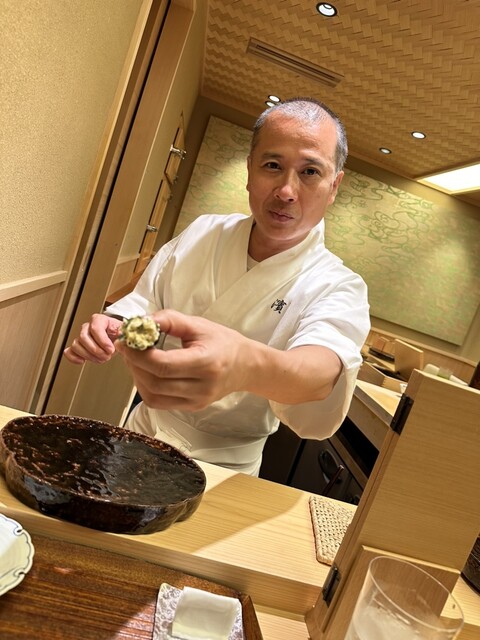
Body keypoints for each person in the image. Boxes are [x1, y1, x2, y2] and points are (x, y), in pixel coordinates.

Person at [64, 97, 370, 476]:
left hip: (228, 466)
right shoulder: (204, 231)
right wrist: (115, 325)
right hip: (144, 431)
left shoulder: (340, 286)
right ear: (250, 170)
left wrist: (243, 365)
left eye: (310, 171)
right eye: (272, 166)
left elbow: (321, 373)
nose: (286, 191)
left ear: (334, 185)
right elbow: (145, 302)